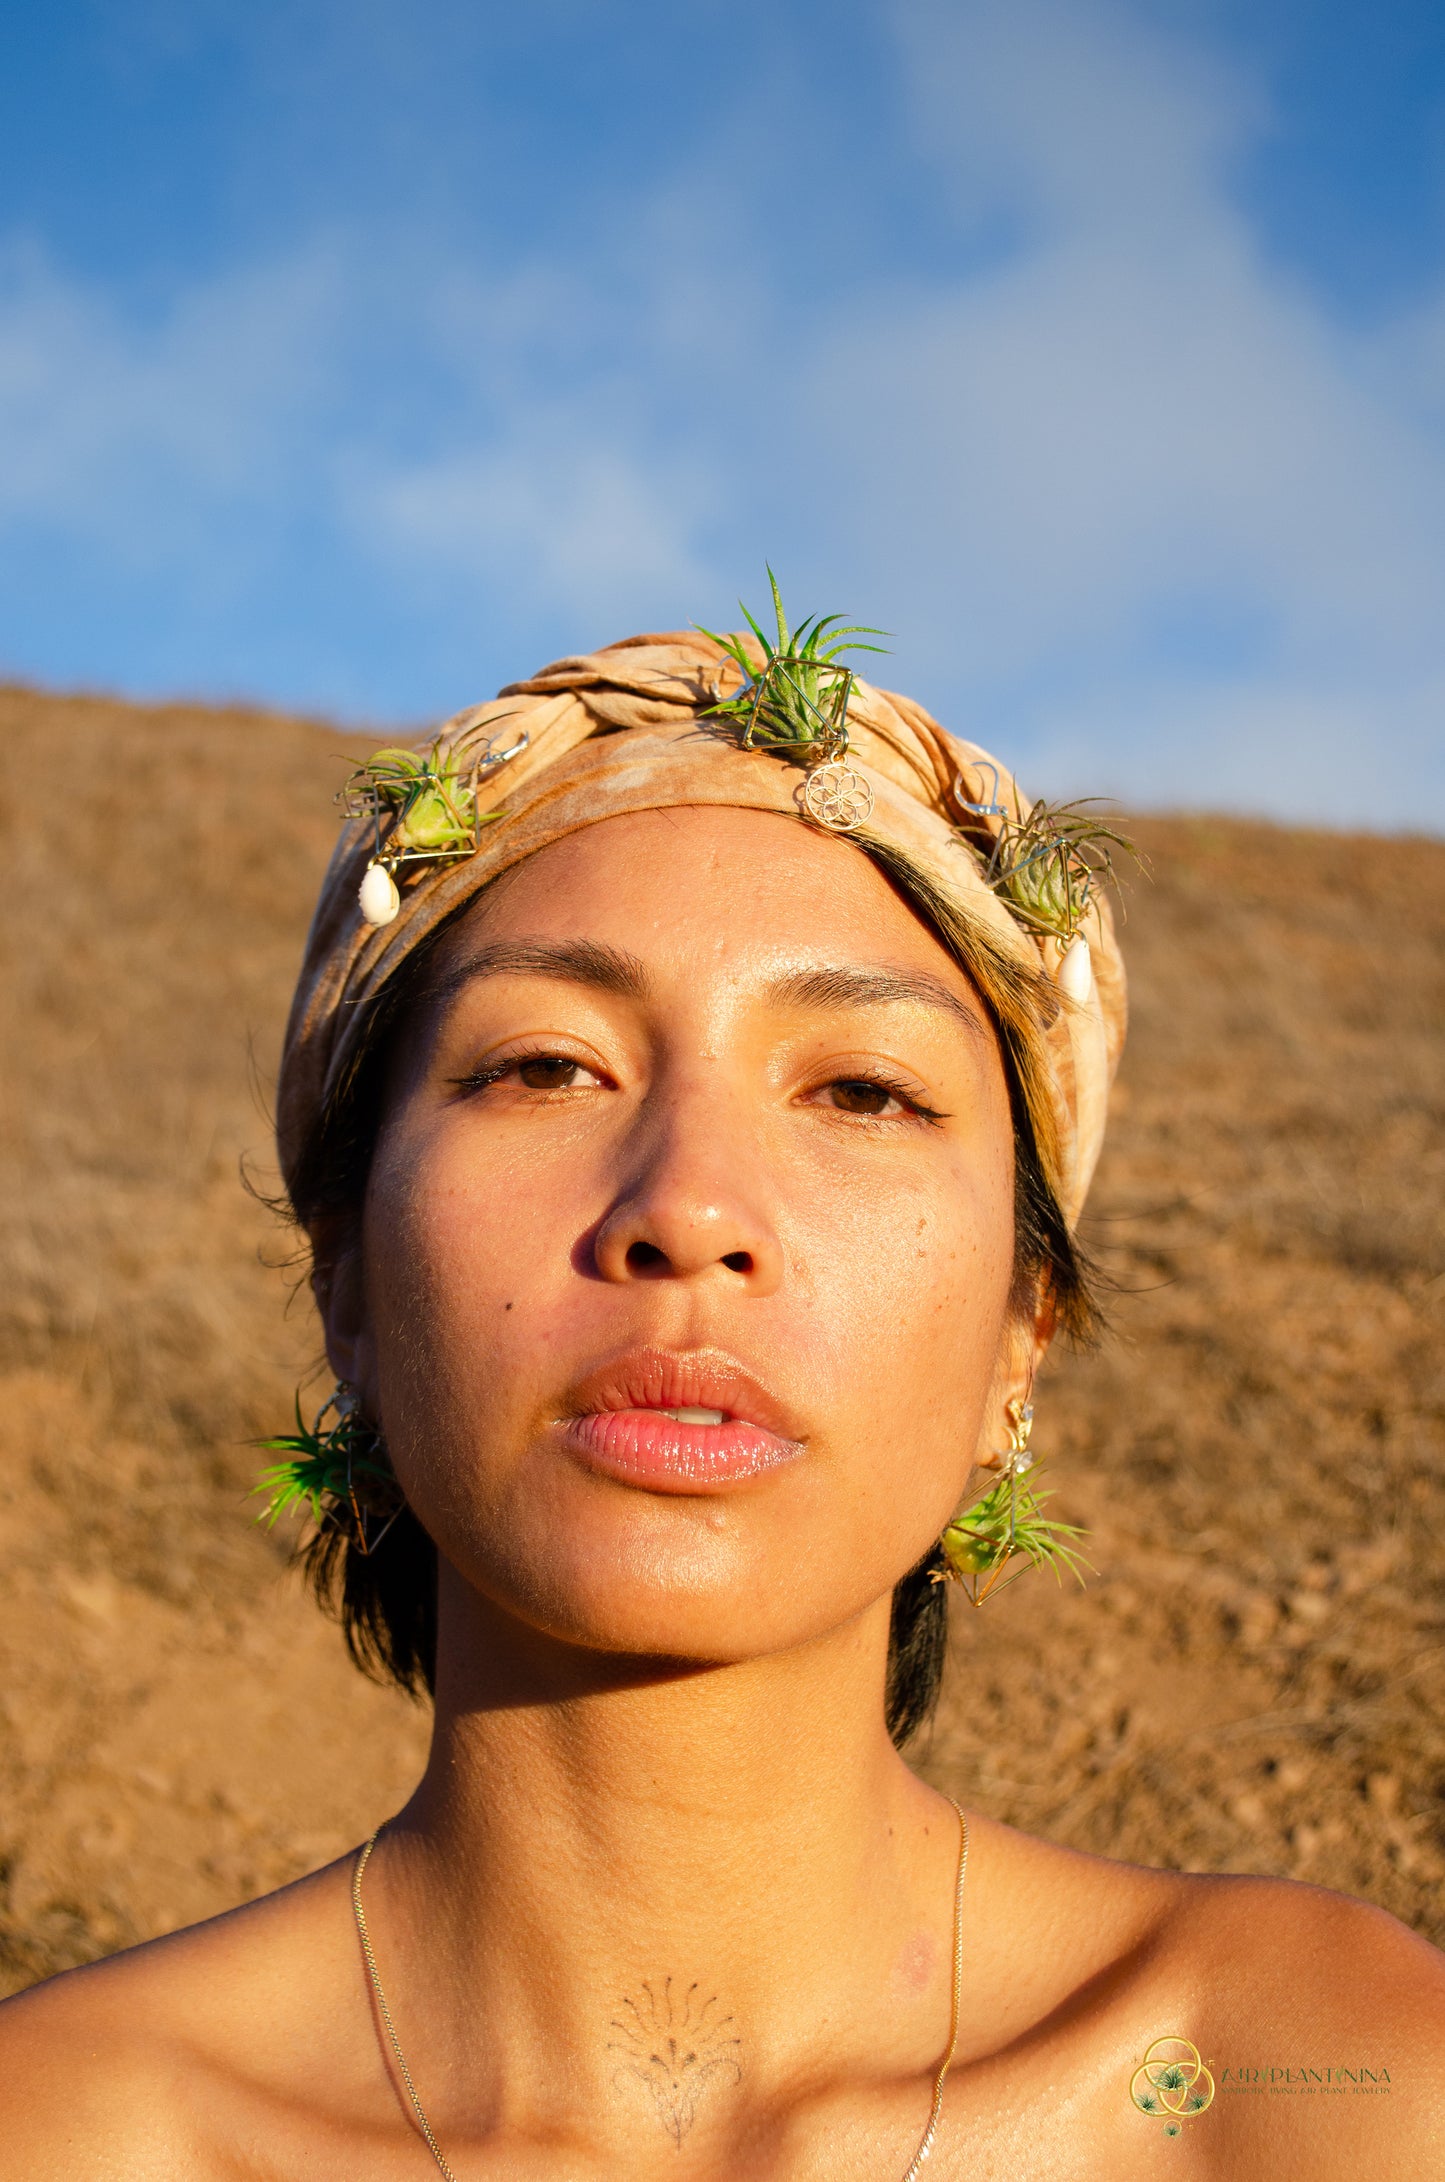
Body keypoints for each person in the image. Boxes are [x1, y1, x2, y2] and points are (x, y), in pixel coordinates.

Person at [1, 611, 1441, 2179]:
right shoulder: (70, 2128)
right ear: (344, 1277)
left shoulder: (1314, 2087)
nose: (687, 1206)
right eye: (546, 1065)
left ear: (1019, 1338)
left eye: (861, 1089)